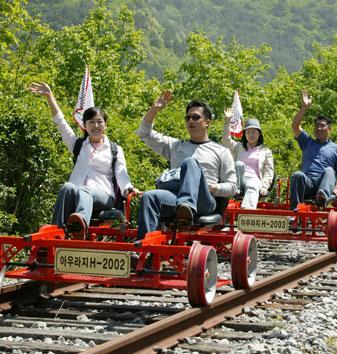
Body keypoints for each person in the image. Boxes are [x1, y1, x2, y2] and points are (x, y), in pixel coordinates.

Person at [28, 82, 136, 239]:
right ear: (85, 126)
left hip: (104, 196)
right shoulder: (78, 145)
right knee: (67, 187)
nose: (96, 125)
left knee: (84, 190)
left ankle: (80, 226)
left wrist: (129, 189)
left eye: (99, 121)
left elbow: (121, 174)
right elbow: (61, 123)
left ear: (105, 125)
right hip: (77, 193)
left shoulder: (114, 149)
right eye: (91, 122)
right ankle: (56, 234)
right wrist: (50, 97)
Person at [136, 91, 237, 240]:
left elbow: (232, 187)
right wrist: (154, 110)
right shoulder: (175, 146)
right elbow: (143, 133)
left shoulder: (221, 151)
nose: (191, 121)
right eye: (188, 118)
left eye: (196, 117)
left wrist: (212, 187)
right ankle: (144, 248)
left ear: (208, 122)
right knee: (150, 196)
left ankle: (186, 205)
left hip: (204, 200)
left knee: (190, 162)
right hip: (175, 198)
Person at [289, 91, 337, 210]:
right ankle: (295, 210)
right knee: (297, 175)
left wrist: (336, 188)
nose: (319, 128)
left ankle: (322, 197)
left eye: (322, 125)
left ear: (329, 129)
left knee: (329, 170)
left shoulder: (336, 148)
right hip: (308, 182)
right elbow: (295, 126)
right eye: (317, 126)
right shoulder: (307, 142)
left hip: (325, 184)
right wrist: (304, 107)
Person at [222, 109, 274, 209]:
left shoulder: (265, 151)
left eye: (254, 132)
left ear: (259, 134)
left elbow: (269, 171)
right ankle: (235, 190)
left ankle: (246, 212)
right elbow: (225, 140)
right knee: (238, 164)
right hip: (237, 180)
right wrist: (227, 121)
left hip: (254, 179)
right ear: (245, 134)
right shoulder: (238, 146)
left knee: (252, 185)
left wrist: (264, 186)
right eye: (248, 132)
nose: (251, 135)